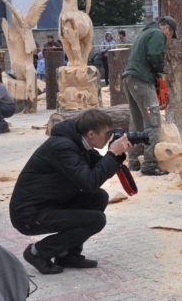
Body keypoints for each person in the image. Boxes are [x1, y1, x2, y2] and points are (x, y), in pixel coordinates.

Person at [9, 109, 132, 275]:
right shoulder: (63, 147)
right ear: (91, 133)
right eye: (107, 133)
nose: (110, 137)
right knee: (96, 220)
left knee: (98, 197)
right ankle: (38, 252)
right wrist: (112, 153)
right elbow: (90, 182)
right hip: (30, 214)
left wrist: (118, 154)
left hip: (51, 204)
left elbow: (100, 169)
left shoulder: (79, 143)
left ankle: (67, 255)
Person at [122, 16, 177, 176]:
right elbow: (154, 55)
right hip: (141, 79)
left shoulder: (144, 33)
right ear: (166, 27)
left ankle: (134, 161)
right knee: (153, 123)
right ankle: (149, 163)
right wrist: (162, 70)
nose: (168, 38)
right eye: (170, 34)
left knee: (137, 120)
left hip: (130, 78)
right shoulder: (157, 33)